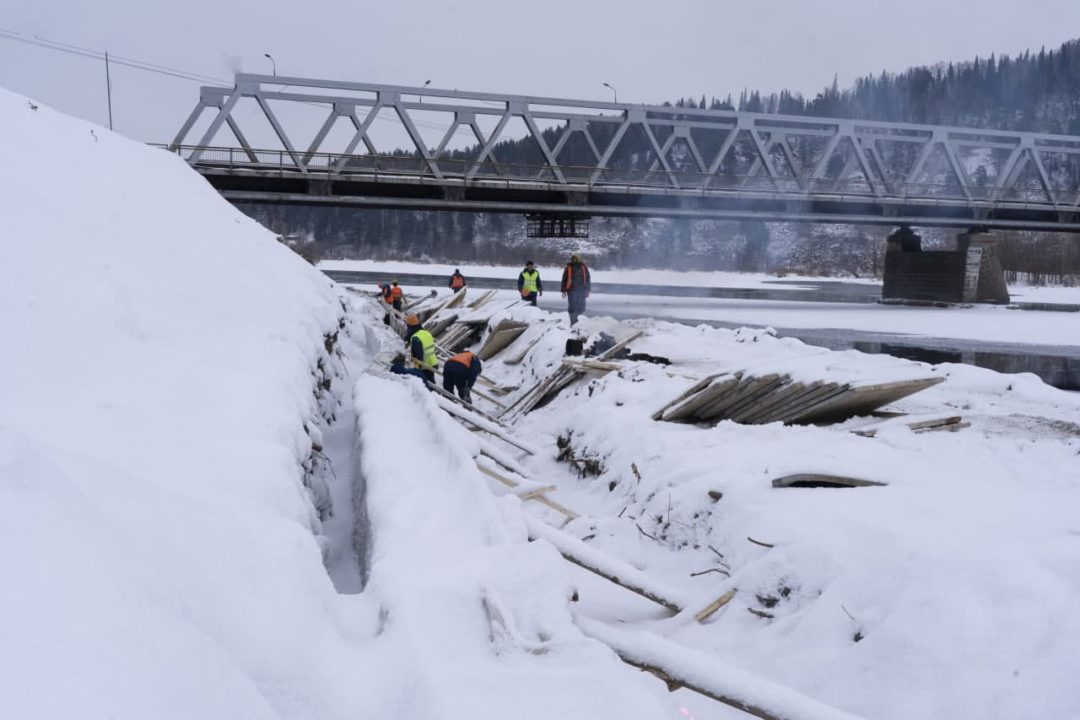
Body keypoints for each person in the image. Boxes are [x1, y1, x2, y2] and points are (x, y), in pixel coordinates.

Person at [560, 253, 591, 325]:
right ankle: (573, 321)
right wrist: (563, 289)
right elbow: (564, 279)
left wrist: (587, 289)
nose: (574, 260)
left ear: (579, 259)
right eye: (573, 259)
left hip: (581, 290)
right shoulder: (568, 267)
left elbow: (588, 279)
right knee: (572, 306)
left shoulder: (584, 267)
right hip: (571, 290)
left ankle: (579, 322)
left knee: (581, 306)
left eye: (576, 259)